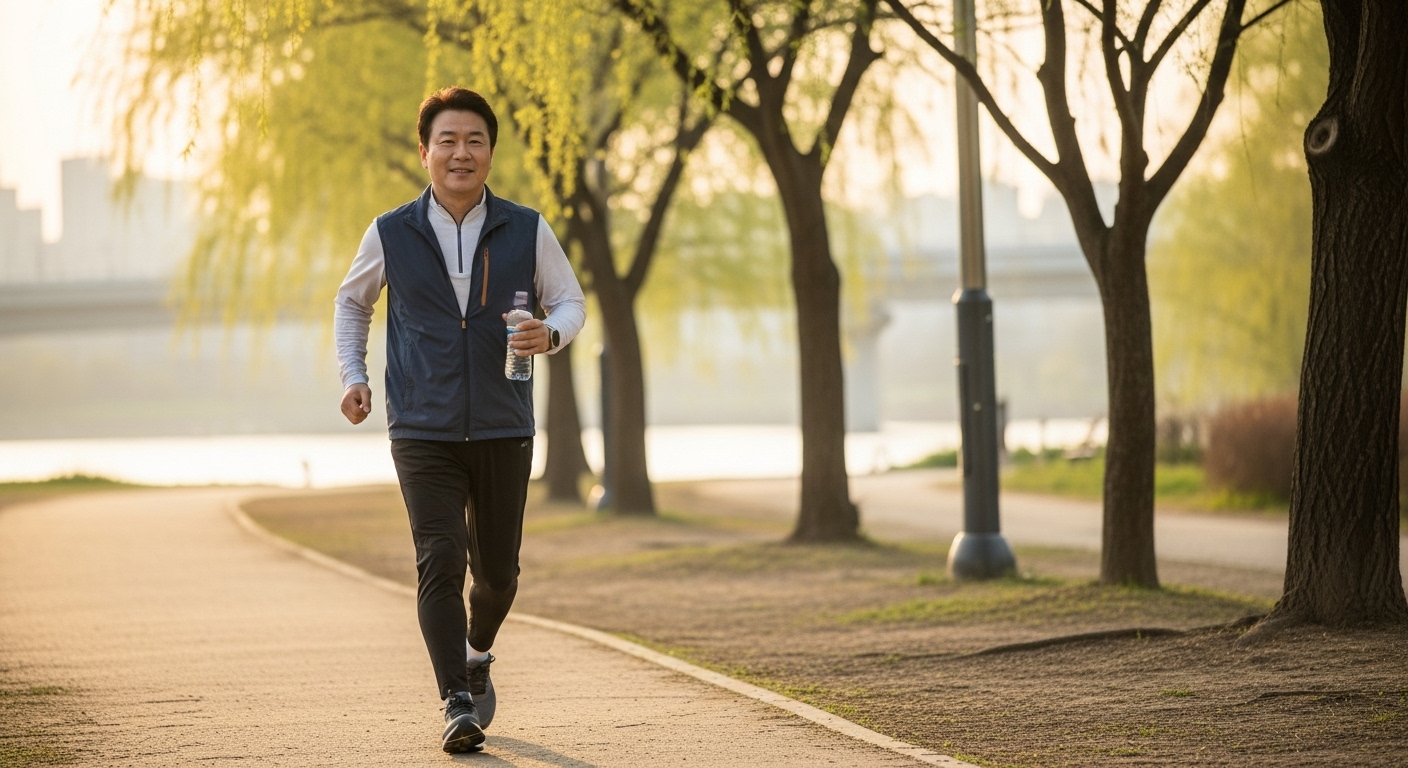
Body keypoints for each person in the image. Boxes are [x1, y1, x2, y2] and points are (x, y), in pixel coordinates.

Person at [333, 86, 587, 753]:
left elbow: (570, 302)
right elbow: (352, 304)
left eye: (474, 140)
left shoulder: (527, 227)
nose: (460, 152)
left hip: (505, 423)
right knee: (440, 557)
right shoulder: (390, 231)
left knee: (498, 575)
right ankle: (455, 701)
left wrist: (549, 334)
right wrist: (355, 378)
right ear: (424, 152)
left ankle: (476, 653)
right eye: (447, 140)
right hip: (422, 426)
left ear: (490, 153)